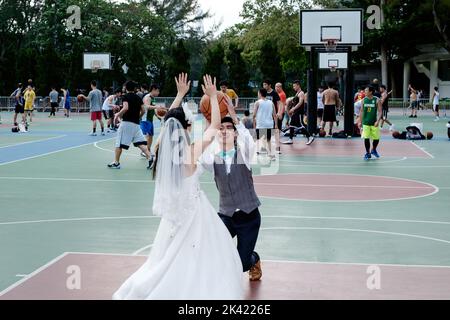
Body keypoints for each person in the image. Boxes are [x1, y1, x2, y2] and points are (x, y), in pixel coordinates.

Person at [113, 74, 243, 300]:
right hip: (195, 213)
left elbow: (168, 122)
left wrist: (180, 95)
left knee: (168, 257)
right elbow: (213, 125)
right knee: (204, 255)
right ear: (187, 127)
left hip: (174, 217)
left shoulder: (163, 149)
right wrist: (213, 97)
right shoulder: (191, 152)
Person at [199, 90, 263, 282]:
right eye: (222, 128)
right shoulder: (212, 156)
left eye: (229, 128)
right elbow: (200, 159)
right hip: (226, 215)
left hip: (249, 216)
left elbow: (249, 142)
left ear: (234, 133)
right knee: (214, 250)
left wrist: (235, 118)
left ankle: (254, 259)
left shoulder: (245, 153)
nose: (225, 130)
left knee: (242, 264)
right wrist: (211, 125)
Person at [107, 81, 152, 170]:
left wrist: (117, 115)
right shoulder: (138, 98)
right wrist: (138, 117)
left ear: (126, 88)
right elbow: (143, 110)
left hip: (127, 123)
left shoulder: (125, 97)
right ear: (134, 88)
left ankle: (116, 163)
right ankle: (151, 158)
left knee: (119, 143)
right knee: (140, 143)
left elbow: (126, 108)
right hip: (136, 124)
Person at [283, 80, 314, 145]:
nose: (293, 87)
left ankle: (310, 137)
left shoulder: (301, 93)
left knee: (300, 125)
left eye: (294, 86)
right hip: (295, 112)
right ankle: (290, 139)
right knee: (291, 124)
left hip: (299, 112)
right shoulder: (297, 93)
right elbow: (294, 102)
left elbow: (300, 103)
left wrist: (293, 108)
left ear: (298, 85)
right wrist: (290, 107)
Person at [358, 85, 383, 161]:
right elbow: (361, 111)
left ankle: (373, 149)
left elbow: (380, 111)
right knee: (366, 138)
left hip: (374, 122)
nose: (364, 92)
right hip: (366, 122)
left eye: (366, 90)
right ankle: (367, 152)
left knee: (376, 138)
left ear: (370, 92)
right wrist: (360, 121)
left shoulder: (377, 100)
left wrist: (378, 120)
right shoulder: (363, 100)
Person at [253, 88, 277, 160]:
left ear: (260, 93)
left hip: (260, 124)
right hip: (269, 124)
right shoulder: (271, 102)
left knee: (258, 139)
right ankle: (271, 155)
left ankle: (258, 151)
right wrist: (276, 124)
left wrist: (253, 123)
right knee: (268, 140)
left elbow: (254, 114)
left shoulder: (257, 102)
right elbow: (274, 115)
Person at [140, 84, 161, 160]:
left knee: (151, 136)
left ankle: (147, 150)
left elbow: (153, 109)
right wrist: (157, 107)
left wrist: (158, 116)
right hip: (145, 119)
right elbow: (146, 106)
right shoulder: (148, 97)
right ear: (153, 89)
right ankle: (144, 151)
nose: (158, 92)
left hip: (150, 120)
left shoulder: (153, 98)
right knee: (147, 136)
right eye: (157, 91)